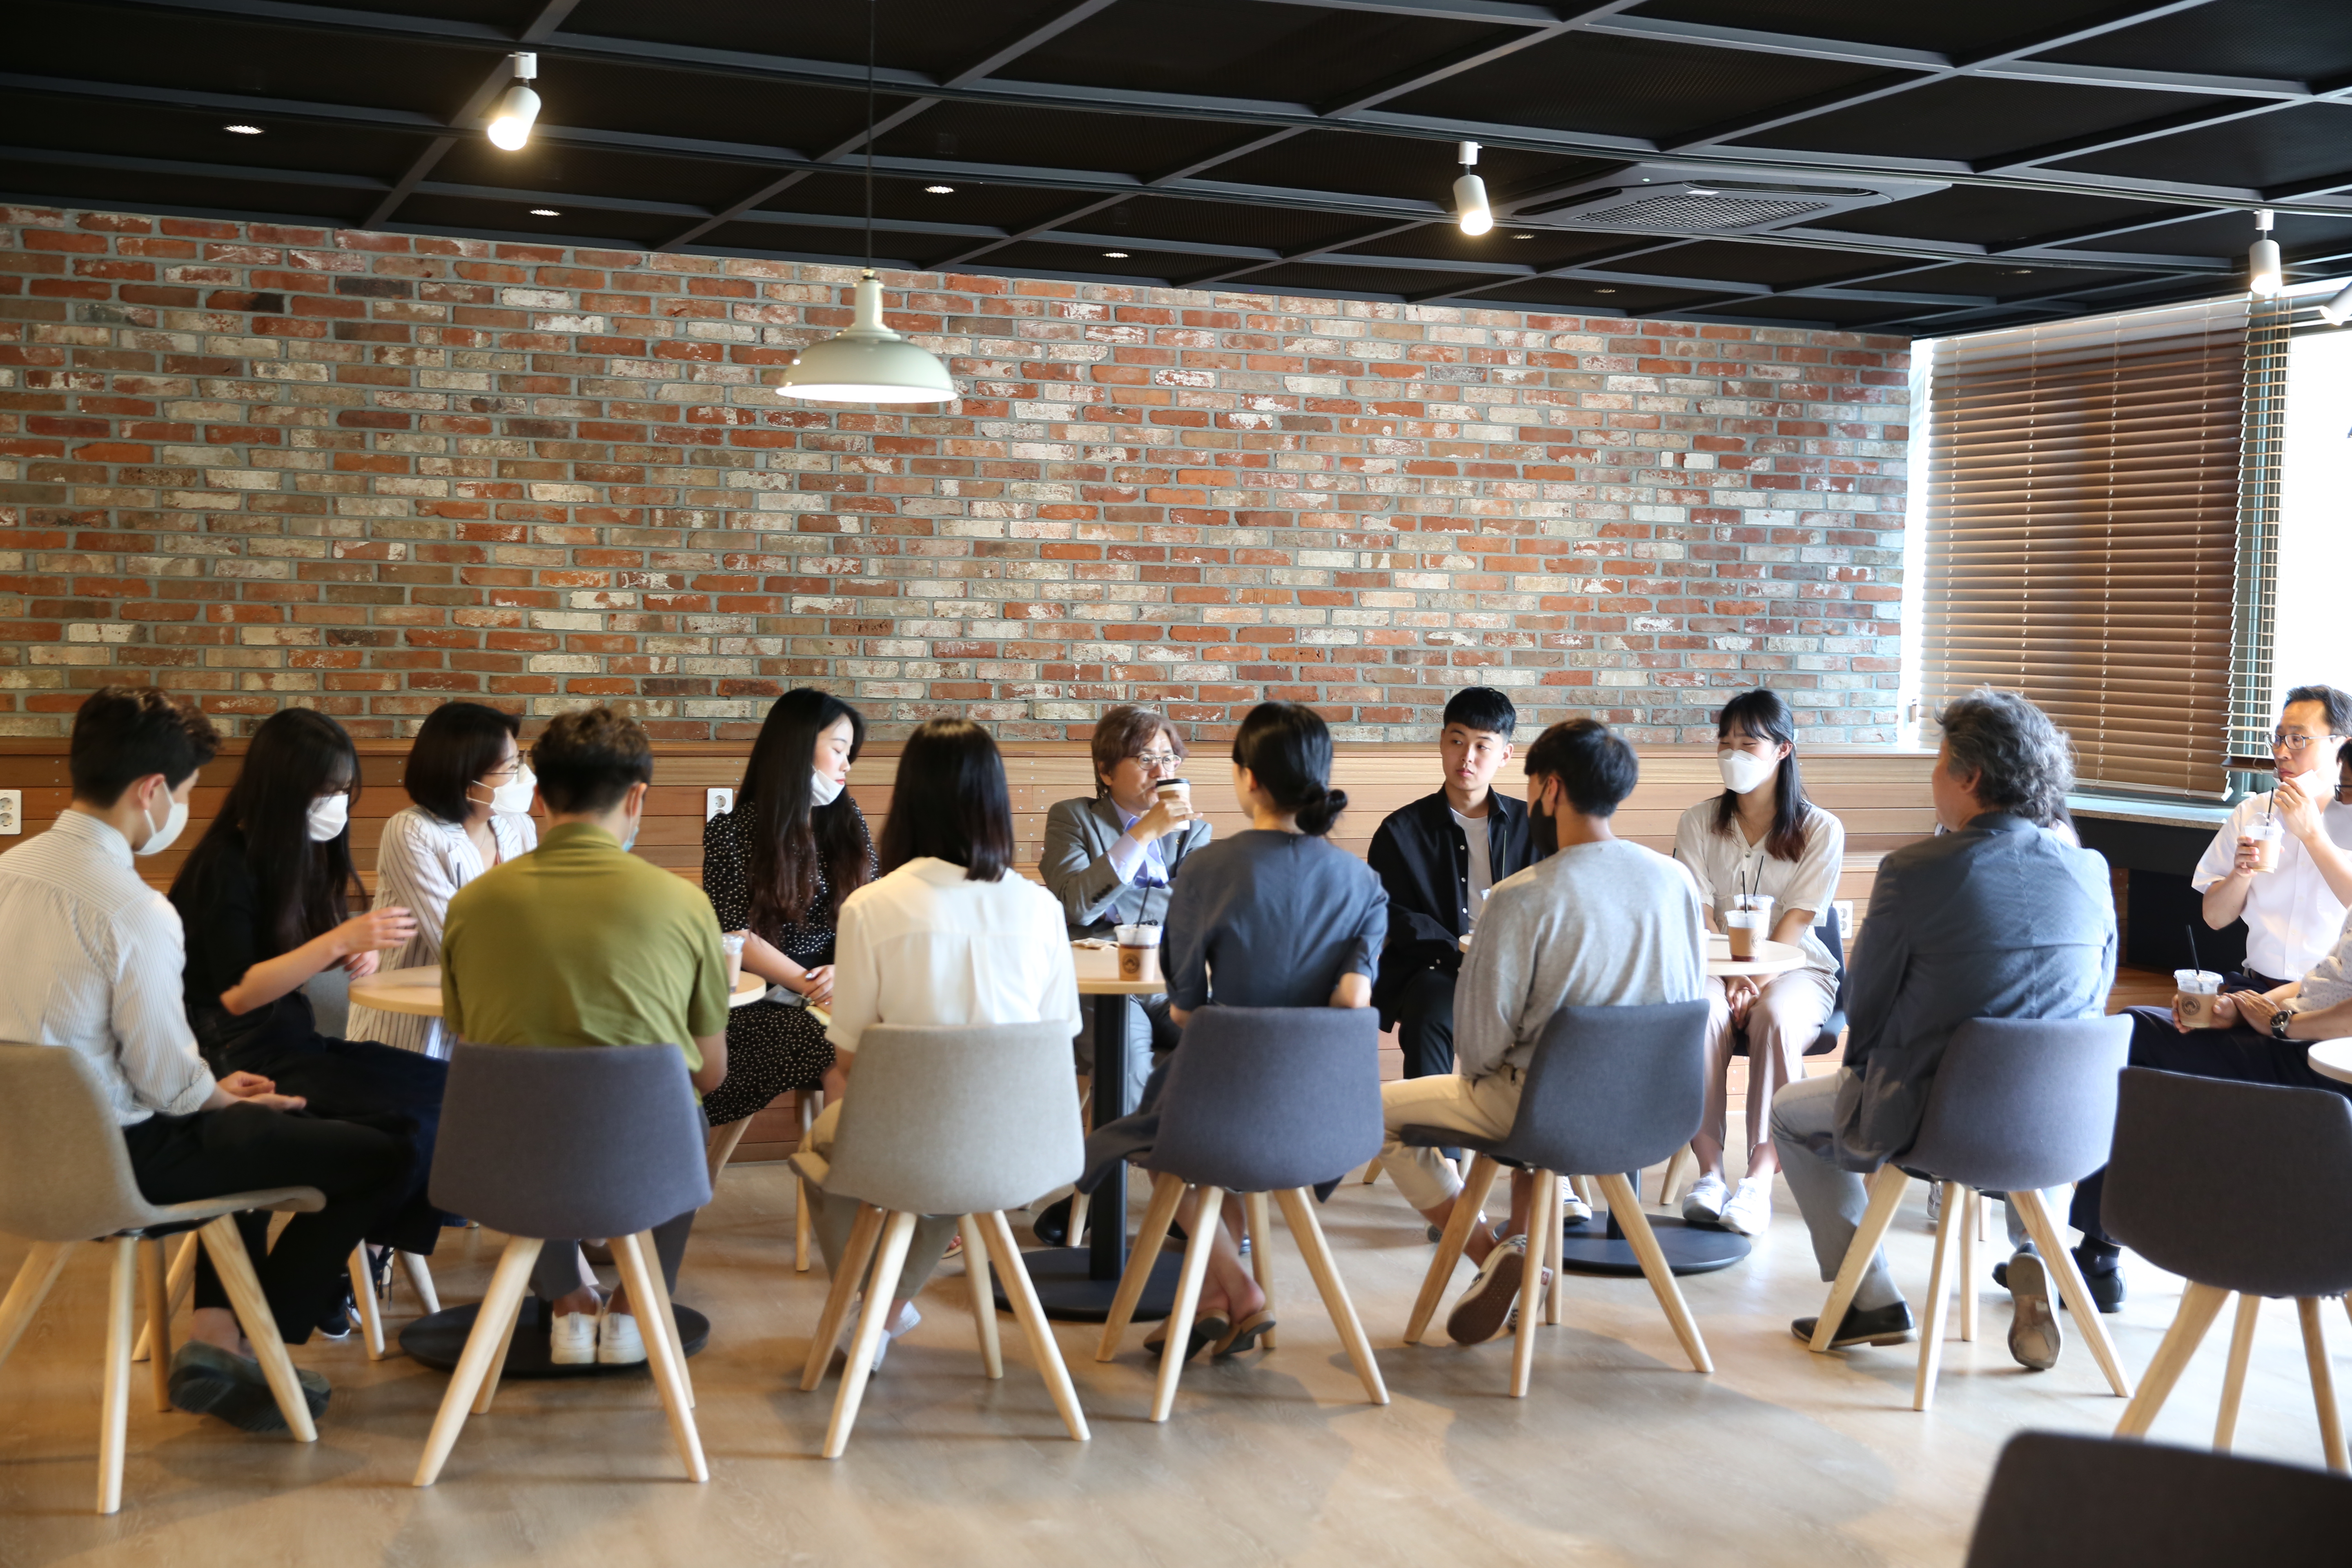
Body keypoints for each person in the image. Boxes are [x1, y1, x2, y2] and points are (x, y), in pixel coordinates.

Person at [0, 688, 406, 1431]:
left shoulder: (9, 874)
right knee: (381, 1152)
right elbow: (168, 1085)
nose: (185, 809)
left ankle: (219, 1336)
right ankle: (252, 1349)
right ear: (152, 791)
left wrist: (212, 1088)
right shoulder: (134, 910)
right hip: (126, 1162)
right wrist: (220, 1097)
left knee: (246, 1136)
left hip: (19, 1160)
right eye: (186, 792)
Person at [1772, 689, 2115, 1372]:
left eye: (1937, 762)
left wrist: (1861, 1084)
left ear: (1970, 777)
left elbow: (1867, 1005)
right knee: (2027, 1072)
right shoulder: (2090, 870)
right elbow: (2093, 998)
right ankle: (2030, 1256)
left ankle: (1868, 1300)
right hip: (2067, 1122)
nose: (1933, 778)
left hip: (1941, 1123)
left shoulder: (1915, 872)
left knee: (1789, 1116)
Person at [1375, 718, 1707, 1346]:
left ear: (1550, 790)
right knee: (1524, 1107)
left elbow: (1478, 1048)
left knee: (1371, 1111)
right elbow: (1690, 996)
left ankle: (1494, 1256)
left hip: (1540, 1110)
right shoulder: (1675, 881)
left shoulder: (1521, 896)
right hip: (1659, 1110)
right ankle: (1519, 1256)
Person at [1079, 702, 1389, 1360]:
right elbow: (1354, 1001)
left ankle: (1241, 1293)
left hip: (1218, 1109)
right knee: (1211, 1154)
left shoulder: (1212, 868)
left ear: (1247, 779)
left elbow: (1186, 1008)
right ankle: (1215, 1302)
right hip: (1323, 1121)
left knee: (1141, 1139)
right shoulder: (1364, 883)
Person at [441, 705, 732, 1367]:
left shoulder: (473, 906)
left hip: (501, 1168)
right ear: (638, 797)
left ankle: (567, 1300)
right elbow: (710, 1073)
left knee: (524, 1108)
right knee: (691, 1117)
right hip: (642, 1163)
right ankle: (635, 1306)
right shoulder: (683, 904)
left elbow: (469, 1041)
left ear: (539, 798)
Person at [795, 719, 1079, 1371]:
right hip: (1027, 1149)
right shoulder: (1040, 909)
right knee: (945, 1152)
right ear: (996, 801)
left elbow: (849, 1062)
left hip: (908, 1145)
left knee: (828, 1147)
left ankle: (878, 1306)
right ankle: (887, 1310)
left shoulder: (871, 907)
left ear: (909, 798)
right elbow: (1057, 1040)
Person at [2061, 688, 2352, 1300]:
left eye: (2300, 737)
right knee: (2133, 1035)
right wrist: (2243, 871)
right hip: (2252, 994)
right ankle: (2098, 1248)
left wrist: (2315, 836)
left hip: (2328, 1014)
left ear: (2340, 745)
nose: (2283, 750)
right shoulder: (2253, 812)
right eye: (2279, 736)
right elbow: (2217, 918)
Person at [168, 707, 449, 1335]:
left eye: (344, 793)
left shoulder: (296, 855)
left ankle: (332, 1275)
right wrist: (334, 942)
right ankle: (301, 1295)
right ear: (283, 789)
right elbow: (240, 994)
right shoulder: (225, 865)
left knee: (452, 1096)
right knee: (405, 1131)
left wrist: (351, 946)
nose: (336, 807)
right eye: (325, 793)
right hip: (239, 1054)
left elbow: (293, 954)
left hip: (297, 1044)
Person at [1670, 688, 1847, 1238]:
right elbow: (1697, 914)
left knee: (1774, 1017)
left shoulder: (1821, 829)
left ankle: (1760, 1179)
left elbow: (1796, 923)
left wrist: (1753, 979)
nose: (1733, 755)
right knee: (1699, 1012)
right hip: (1714, 966)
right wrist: (1729, 978)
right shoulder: (1698, 822)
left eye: (1747, 744)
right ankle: (1710, 1174)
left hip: (1798, 968)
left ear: (1783, 751)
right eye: (1725, 744)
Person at [700, 688, 875, 1129]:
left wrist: (845, 972)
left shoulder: (848, 823)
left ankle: (888, 1185)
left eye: (850, 753)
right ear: (796, 747)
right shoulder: (733, 833)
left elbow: (873, 912)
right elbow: (734, 936)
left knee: (901, 1034)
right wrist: (812, 985)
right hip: (763, 1000)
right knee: (841, 1046)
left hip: (841, 991)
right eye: (838, 749)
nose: (847, 764)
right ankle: (851, 1191)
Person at [1040, 704, 1212, 1109]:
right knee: (1126, 1065)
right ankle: (1117, 1167)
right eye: (1146, 759)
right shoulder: (1073, 819)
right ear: (1106, 771)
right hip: (1102, 985)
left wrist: (1115, 904)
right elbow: (1079, 908)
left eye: (1169, 758)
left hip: (1171, 980)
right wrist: (1143, 835)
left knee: (1231, 1045)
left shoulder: (1193, 832)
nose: (1162, 771)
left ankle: (1194, 1158)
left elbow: (1196, 912)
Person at [344, 702, 538, 1060]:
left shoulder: (519, 827)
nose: (521, 775)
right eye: (510, 767)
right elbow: (455, 940)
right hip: (411, 1031)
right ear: (467, 776)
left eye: (519, 761)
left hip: (497, 1022)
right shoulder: (412, 829)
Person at [1367, 686, 1536, 1084]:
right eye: (1457, 741)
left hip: (1520, 970)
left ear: (1506, 755)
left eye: (1483, 746)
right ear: (1442, 742)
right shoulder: (1401, 831)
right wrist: (1460, 953)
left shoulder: (1535, 826)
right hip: (1438, 968)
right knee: (1429, 1009)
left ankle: (1515, 1139)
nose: (1468, 757)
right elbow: (1393, 915)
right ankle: (1435, 1145)